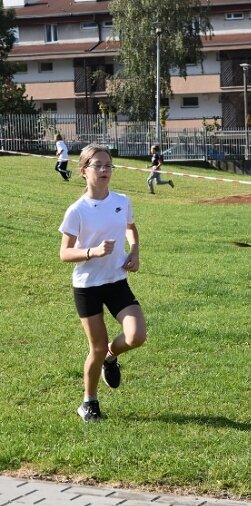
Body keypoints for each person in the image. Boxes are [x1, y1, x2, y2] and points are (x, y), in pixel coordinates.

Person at [59, 144, 147, 422]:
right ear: (84, 171)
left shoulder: (122, 200)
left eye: (108, 165)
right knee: (95, 348)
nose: (105, 170)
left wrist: (134, 252)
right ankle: (89, 402)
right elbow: (64, 253)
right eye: (97, 165)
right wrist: (92, 252)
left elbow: (130, 228)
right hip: (87, 287)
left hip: (116, 281)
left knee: (136, 336)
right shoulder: (77, 211)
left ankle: (112, 356)